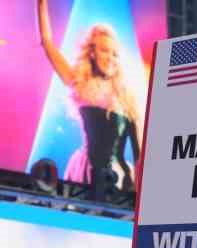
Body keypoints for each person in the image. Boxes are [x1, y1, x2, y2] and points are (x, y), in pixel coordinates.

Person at [37, 0, 142, 191]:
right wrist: (42, 4)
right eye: (104, 50)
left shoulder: (127, 97)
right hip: (84, 171)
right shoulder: (80, 85)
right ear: (92, 53)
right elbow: (47, 43)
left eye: (115, 53)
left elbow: (140, 152)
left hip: (119, 176)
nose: (110, 58)